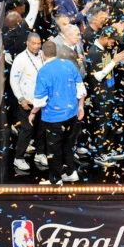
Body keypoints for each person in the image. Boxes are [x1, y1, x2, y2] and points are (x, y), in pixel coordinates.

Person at [30, 40, 86, 185]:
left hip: (54, 118)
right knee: (68, 144)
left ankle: (56, 180)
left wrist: (33, 113)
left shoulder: (44, 71)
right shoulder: (69, 64)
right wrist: (81, 107)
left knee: (54, 149)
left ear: (43, 54)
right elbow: (81, 88)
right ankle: (71, 172)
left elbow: (40, 100)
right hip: (72, 114)